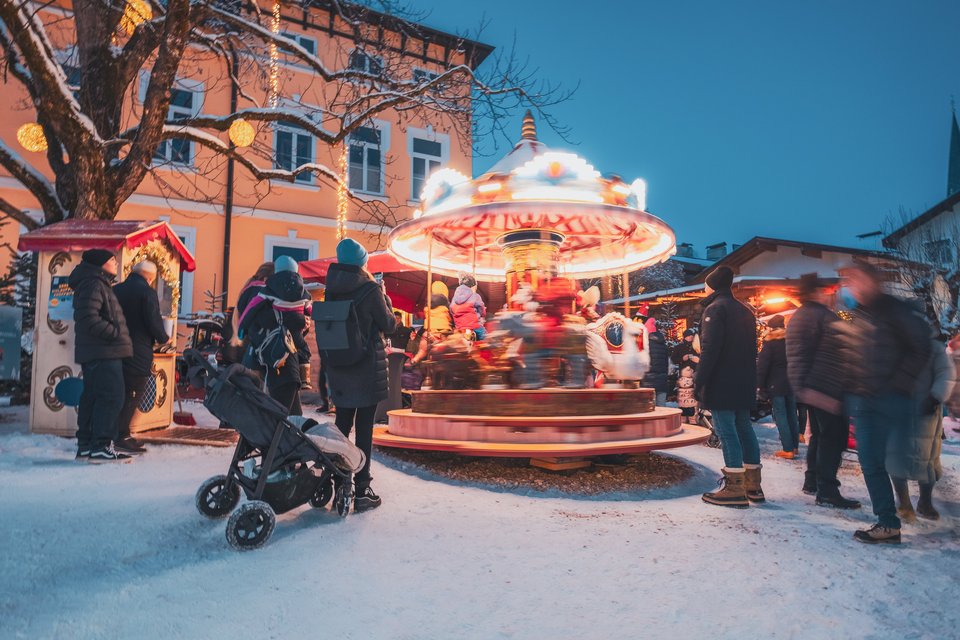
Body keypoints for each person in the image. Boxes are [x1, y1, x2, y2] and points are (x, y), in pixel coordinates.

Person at [840, 262, 931, 544]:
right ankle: (888, 523)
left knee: (905, 460)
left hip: (893, 398)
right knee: (870, 462)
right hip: (865, 399)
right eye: (849, 281)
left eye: (856, 280)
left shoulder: (894, 309)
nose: (851, 286)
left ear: (872, 281)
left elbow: (921, 348)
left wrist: (899, 385)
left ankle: (925, 503)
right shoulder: (857, 314)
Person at [324, 238, 397, 513]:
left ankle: (338, 482)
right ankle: (363, 489)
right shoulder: (370, 289)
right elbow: (388, 324)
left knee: (342, 426)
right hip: (366, 368)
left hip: (340, 368)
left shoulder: (331, 290)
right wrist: (385, 297)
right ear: (361, 263)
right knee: (364, 429)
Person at [786, 274, 860, 509]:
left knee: (820, 436)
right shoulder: (821, 316)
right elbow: (839, 350)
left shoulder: (801, 315)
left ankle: (812, 481)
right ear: (815, 292)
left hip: (813, 387)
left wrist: (802, 386)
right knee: (833, 438)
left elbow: (798, 355)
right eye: (826, 291)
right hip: (826, 388)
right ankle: (827, 490)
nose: (830, 295)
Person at [695, 266, 762, 507]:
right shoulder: (744, 311)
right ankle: (753, 485)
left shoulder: (715, 309)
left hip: (722, 381)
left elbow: (710, 349)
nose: (704, 288)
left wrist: (700, 381)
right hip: (743, 379)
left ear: (713, 285)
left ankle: (734, 487)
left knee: (727, 431)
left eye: (706, 284)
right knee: (744, 428)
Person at [69, 249, 134, 462]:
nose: (116, 264)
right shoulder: (95, 284)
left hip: (98, 351)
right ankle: (101, 445)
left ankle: (87, 445)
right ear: (101, 264)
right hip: (104, 351)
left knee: (93, 397)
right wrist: (114, 333)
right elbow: (89, 317)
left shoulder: (94, 283)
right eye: (112, 260)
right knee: (111, 397)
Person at [888, 333, 956, 522]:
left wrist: (935, 396)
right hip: (898, 408)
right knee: (895, 456)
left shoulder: (933, 348)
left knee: (927, 459)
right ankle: (904, 503)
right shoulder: (894, 344)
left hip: (926, 410)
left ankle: (925, 502)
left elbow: (946, 374)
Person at [241, 255, 312, 416]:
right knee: (283, 414)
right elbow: (307, 313)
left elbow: (251, 316)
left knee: (289, 414)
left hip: (271, 358)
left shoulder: (264, 292)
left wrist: (242, 329)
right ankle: (305, 374)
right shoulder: (302, 292)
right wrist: (302, 321)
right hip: (284, 360)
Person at [113, 261, 170, 455]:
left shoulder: (116, 290)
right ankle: (121, 436)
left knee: (120, 392)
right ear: (150, 277)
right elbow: (153, 321)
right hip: (138, 350)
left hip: (116, 348)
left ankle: (120, 433)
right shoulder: (147, 293)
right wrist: (164, 337)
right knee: (134, 392)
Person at [757, 315, 799, 459]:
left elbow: (762, 366)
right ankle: (794, 447)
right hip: (791, 384)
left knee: (781, 416)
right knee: (792, 415)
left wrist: (760, 385)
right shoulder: (791, 342)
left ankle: (788, 449)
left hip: (776, 385)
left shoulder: (770, 344)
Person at [231, 262, 275, 372]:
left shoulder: (249, 290)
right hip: (256, 346)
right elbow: (263, 319)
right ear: (266, 279)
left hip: (246, 343)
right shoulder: (260, 292)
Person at [642, 317, 669, 405]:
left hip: (648, 381)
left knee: (649, 407)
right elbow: (666, 363)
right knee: (661, 406)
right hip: (662, 381)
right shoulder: (663, 344)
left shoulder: (645, 345)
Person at [451, 273, 487, 339]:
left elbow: (451, 311)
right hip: (473, 326)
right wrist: (482, 314)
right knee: (484, 337)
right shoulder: (475, 296)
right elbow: (481, 308)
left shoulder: (454, 298)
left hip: (459, 327)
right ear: (472, 286)